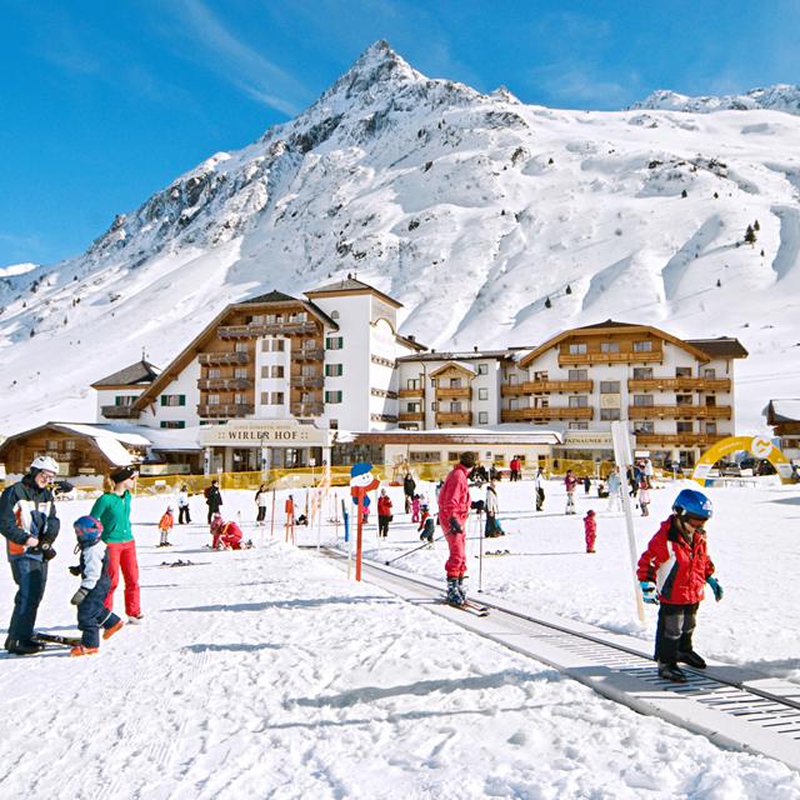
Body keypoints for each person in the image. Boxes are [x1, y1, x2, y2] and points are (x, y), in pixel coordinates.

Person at [637, 489, 723, 683]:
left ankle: (684, 651)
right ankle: (666, 662)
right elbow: (648, 561)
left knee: (689, 625)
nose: (700, 525)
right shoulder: (666, 538)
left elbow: (702, 560)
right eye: (696, 520)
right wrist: (647, 584)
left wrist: (710, 578)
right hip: (673, 592)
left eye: (704, 521)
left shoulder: (699, 536)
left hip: (693, 590)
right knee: (672, 629)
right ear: (680, 513)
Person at [0, 456, 61, 655]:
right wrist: (29, 540)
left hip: (39, 552)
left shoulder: (46, 495)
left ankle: (17, 636)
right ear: (35, 472)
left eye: (51, 477)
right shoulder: (14, 492)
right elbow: (5, 524)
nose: (47, 480)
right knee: (29, 594)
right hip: (22, 551)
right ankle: (20, 640)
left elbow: (52, 520)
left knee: (34, 594)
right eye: (44, 475)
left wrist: (47, 540)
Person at [90, 466, 143, 624]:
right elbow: (92, 520)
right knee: (111, 581)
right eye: (131, 479)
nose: (134, 482)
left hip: (129, 542)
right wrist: (95, 539)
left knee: (133, 578)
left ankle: (134, 612)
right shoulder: (105, 499)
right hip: (111, 543)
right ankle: (104, 615)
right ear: (122, 481)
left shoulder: (127, 497)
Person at [69, 516, 124, 657]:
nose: (77, 535)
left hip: (95, 585)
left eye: (79, 532)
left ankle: (90, 645)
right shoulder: (95, 545)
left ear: (89, 532)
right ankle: (113, 622)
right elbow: (94, 565)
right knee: (94, 607)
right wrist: (79, 568)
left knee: (86, 613)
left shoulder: (92, 550)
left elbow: (93, 573)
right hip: (101, 583)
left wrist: (83, 591)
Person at [438, 452, 475, 606]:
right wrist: (453, 518)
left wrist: (474, 504)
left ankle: (458, 585)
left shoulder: (460, 475)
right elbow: (451, 500)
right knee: (457, 553)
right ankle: (452, 587)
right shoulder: (459, 476)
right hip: (452, 519)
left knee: (462, 554)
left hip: (458, 518)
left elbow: (460, 499)